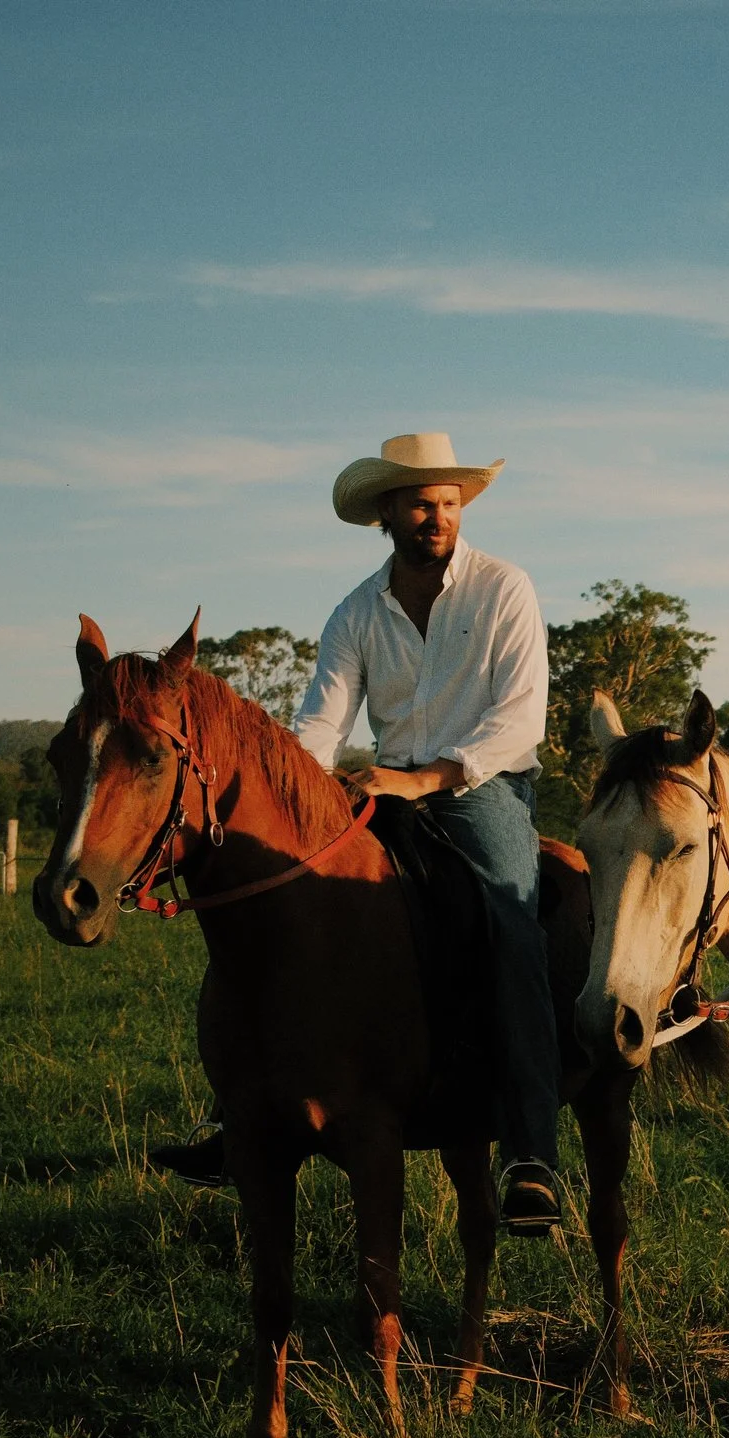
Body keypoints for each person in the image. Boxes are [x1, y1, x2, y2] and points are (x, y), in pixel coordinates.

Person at [287, 431, 565, 1236]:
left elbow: (519, 720)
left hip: (482, 788)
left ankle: (530, 1153)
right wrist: (299, 790)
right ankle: (250, 1110)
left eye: (447, 502)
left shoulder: (503, 588)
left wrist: (424, 777)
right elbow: (322, 720)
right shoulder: (357, 611)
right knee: (290, 908)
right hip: (382, 789)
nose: (437, 515)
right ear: (388, 511)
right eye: (420, 502)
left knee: (514, 923)